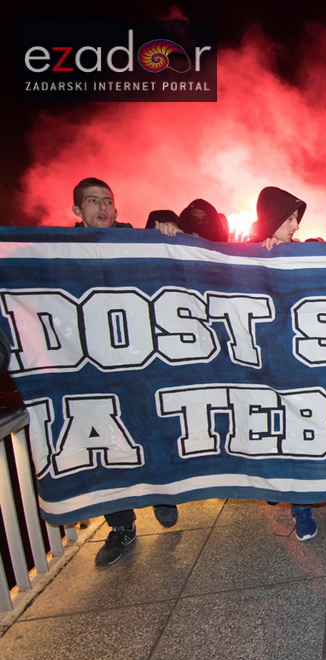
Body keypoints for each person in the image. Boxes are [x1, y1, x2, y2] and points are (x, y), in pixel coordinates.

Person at [69, 178, 179, 565]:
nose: (102, 207)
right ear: (76, 211)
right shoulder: (58, 252)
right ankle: (121, 526)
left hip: (141, 364)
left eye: (108, 201)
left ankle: (164, 493)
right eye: (92, 201)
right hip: (91, 371)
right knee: (103, 450)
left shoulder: (141, 242)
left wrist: (173, 237)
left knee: (152, 431)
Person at [250, 186, 320, 540]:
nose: (295, 225)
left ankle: (302, 508)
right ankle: (275, 486)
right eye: (290, 218)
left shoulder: (302, 255)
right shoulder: (242, 255)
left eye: (296, 218)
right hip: (260, 370)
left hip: (297, 368)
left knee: (299, 439)